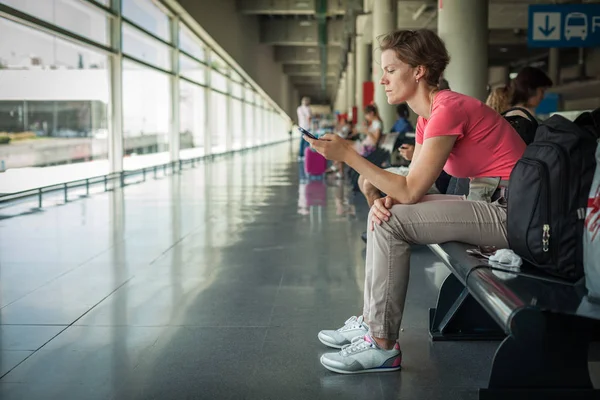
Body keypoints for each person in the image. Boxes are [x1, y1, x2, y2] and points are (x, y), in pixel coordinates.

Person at [302, 29, 526, 374]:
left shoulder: (448, 109)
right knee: (385, 214)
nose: (382, 80)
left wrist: (348, 153)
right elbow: (418, 187)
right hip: (487, 202)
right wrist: (388, 200)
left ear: (419, 70)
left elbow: (411, 190)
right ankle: (371, 323)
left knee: (390, 221)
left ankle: (381, 344)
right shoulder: (427, 118)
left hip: (511, 212)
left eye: (391, 70)